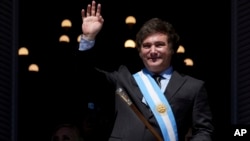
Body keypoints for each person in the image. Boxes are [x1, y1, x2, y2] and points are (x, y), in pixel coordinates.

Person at [78, 1, 215, 141]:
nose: (153, 51)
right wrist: (88, 38)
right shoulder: (124, 78)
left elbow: (203, 131)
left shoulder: (193, 87)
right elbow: (84, 73)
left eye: (159, 45)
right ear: (140, 52)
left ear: (172, 49)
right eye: (147, 46)